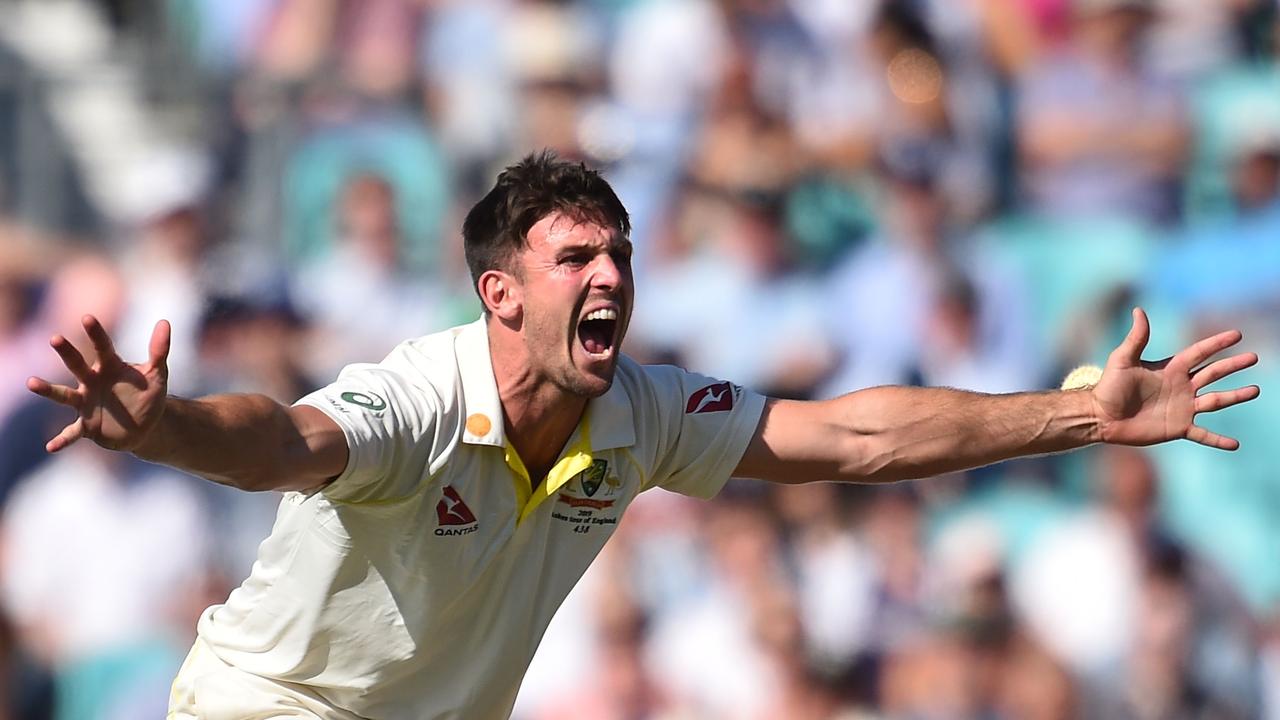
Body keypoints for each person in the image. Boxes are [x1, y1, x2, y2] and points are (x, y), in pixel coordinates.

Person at [25, 152, 1260, 720]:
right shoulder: (411, 399)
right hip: (269, 706)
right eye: (574, 256)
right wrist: (167, 425)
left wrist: (1074, 414)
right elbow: (277, 445)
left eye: (618, 252)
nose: (608, 272)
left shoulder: (641, 412)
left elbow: (853, 440)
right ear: (499, 292)